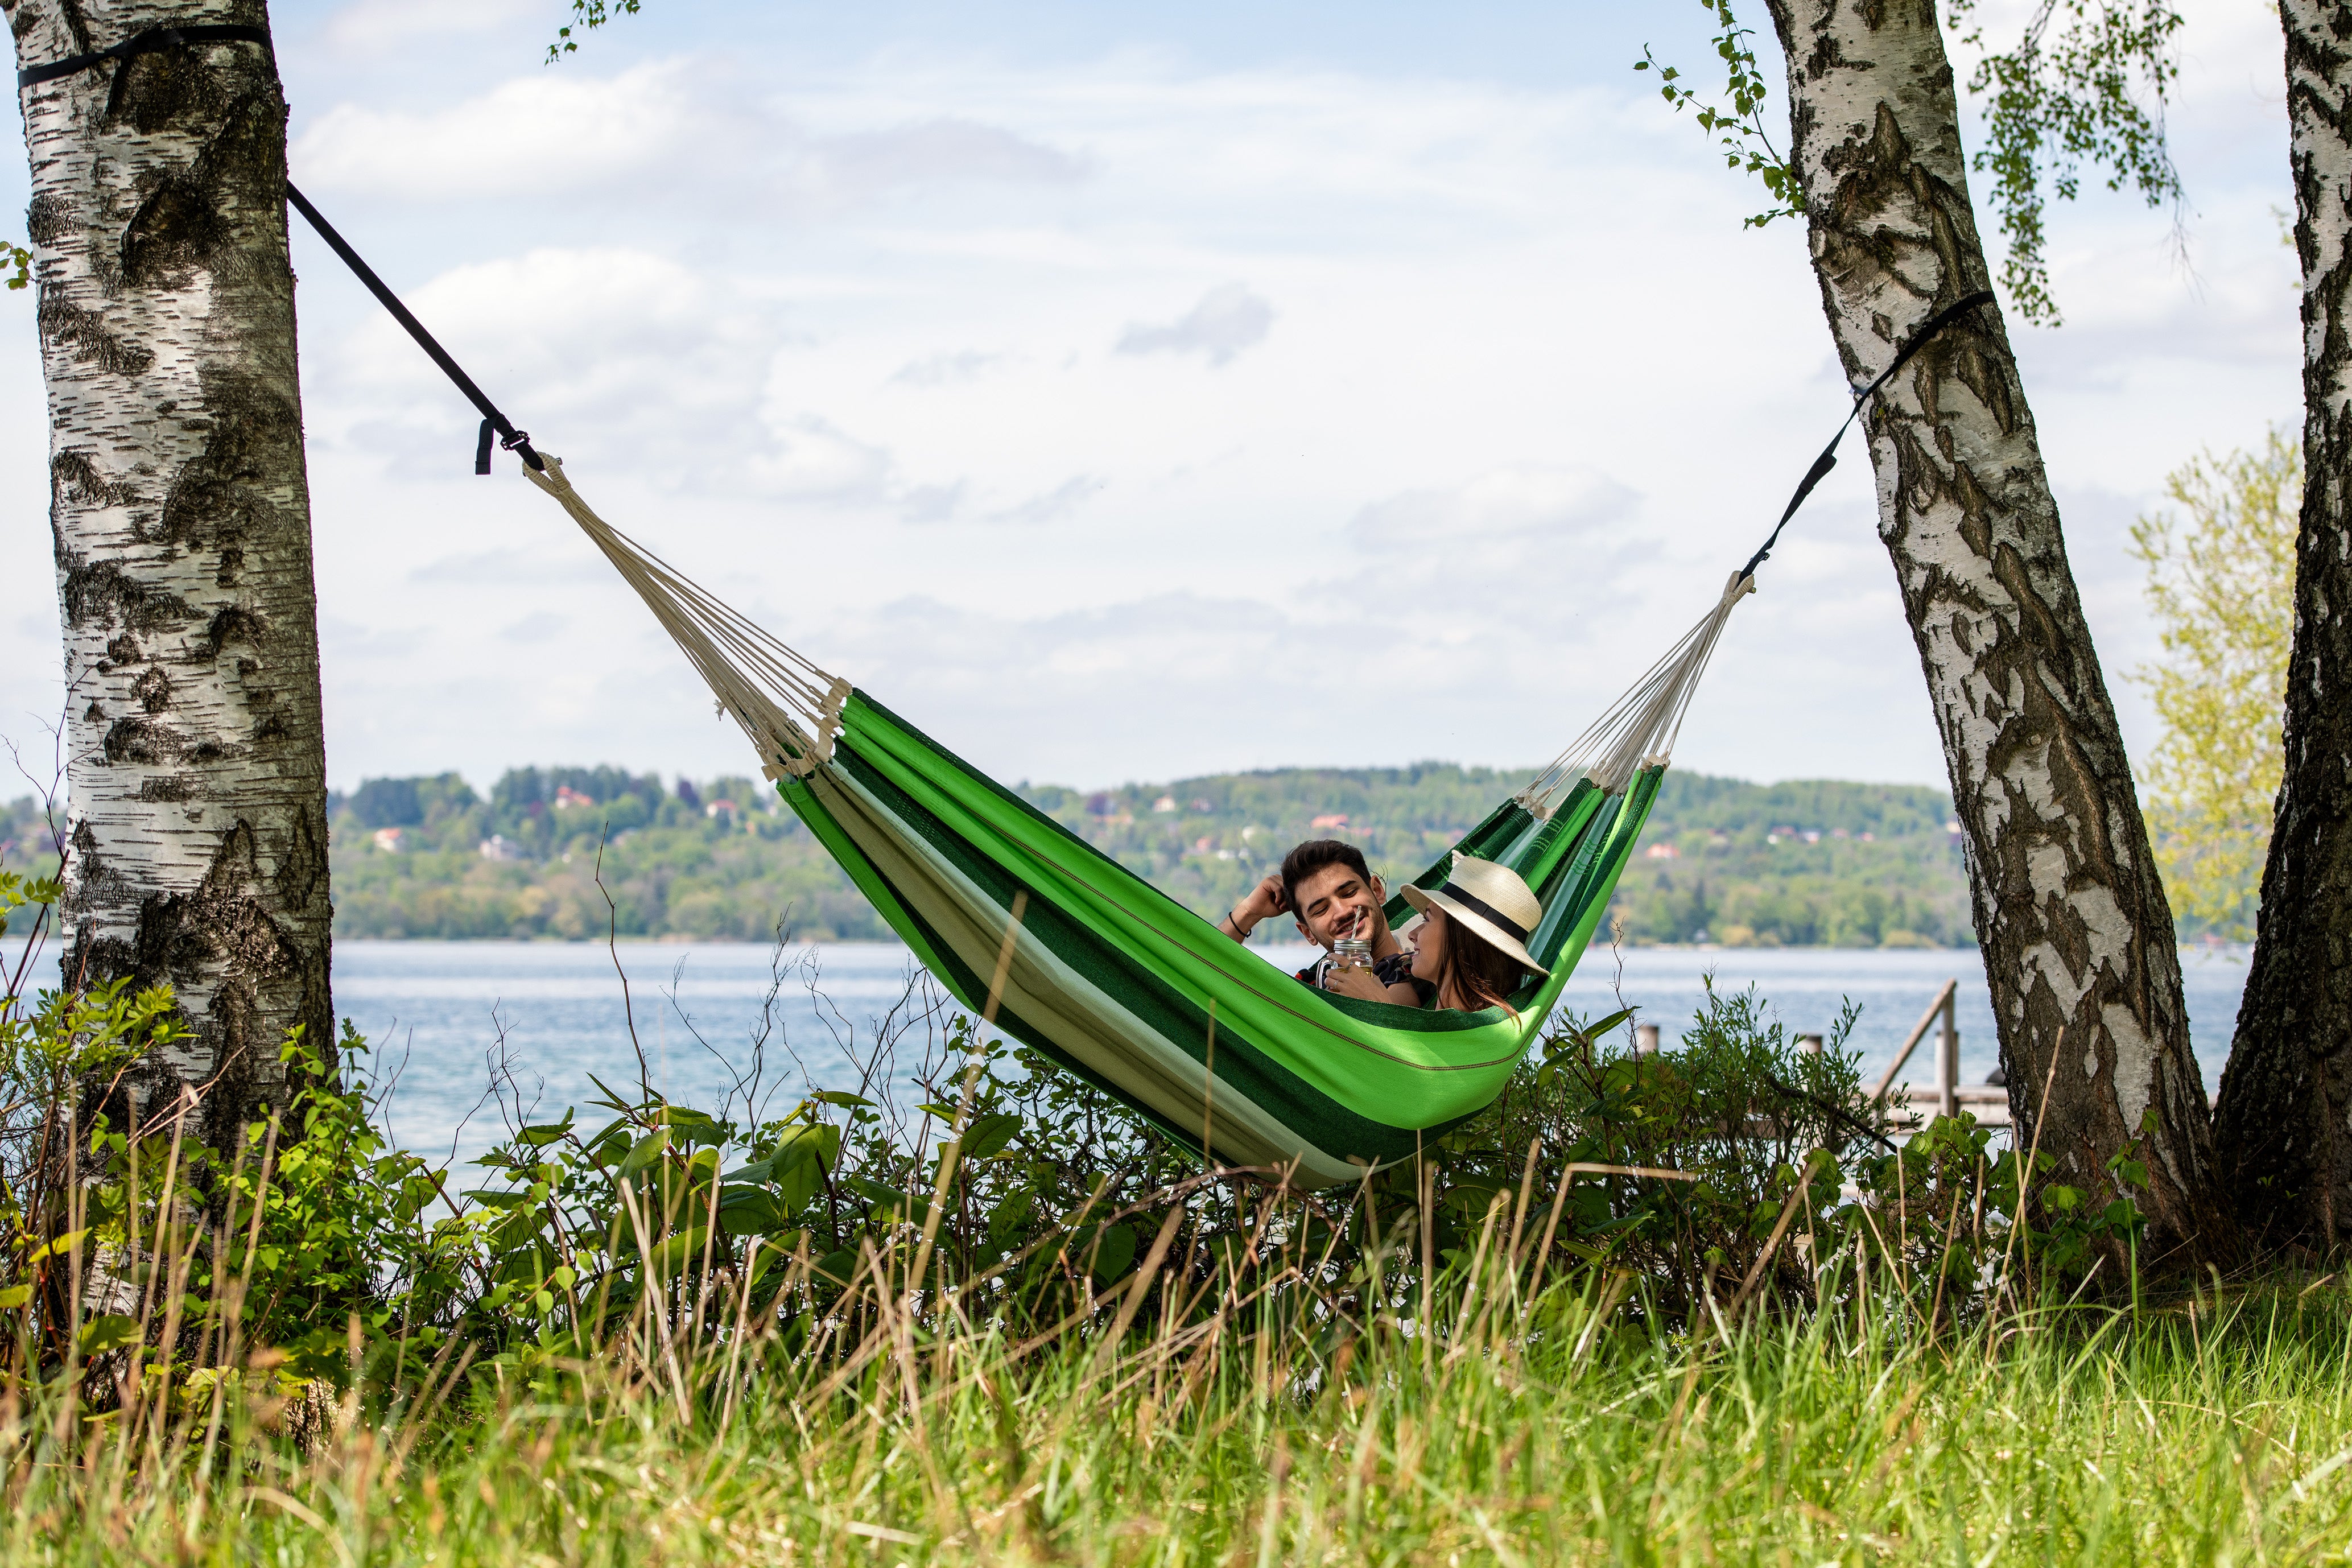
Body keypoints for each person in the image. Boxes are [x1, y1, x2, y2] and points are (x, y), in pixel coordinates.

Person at [1220, 839, 1427, 1005]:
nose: (1341, 912)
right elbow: (1204, 976)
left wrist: (1373, 1004)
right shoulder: (1310, 985)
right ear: (1307, 933)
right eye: (1321, 910)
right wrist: (1247, 913)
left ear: (1377, 891)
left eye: (1349, 893)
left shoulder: (1420, 969)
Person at [1401, 855, 1549, 1013]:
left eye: (1427, 919)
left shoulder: (1452, 1034)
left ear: (1461, 940)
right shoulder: (1484, 1031)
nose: (1412, 934)